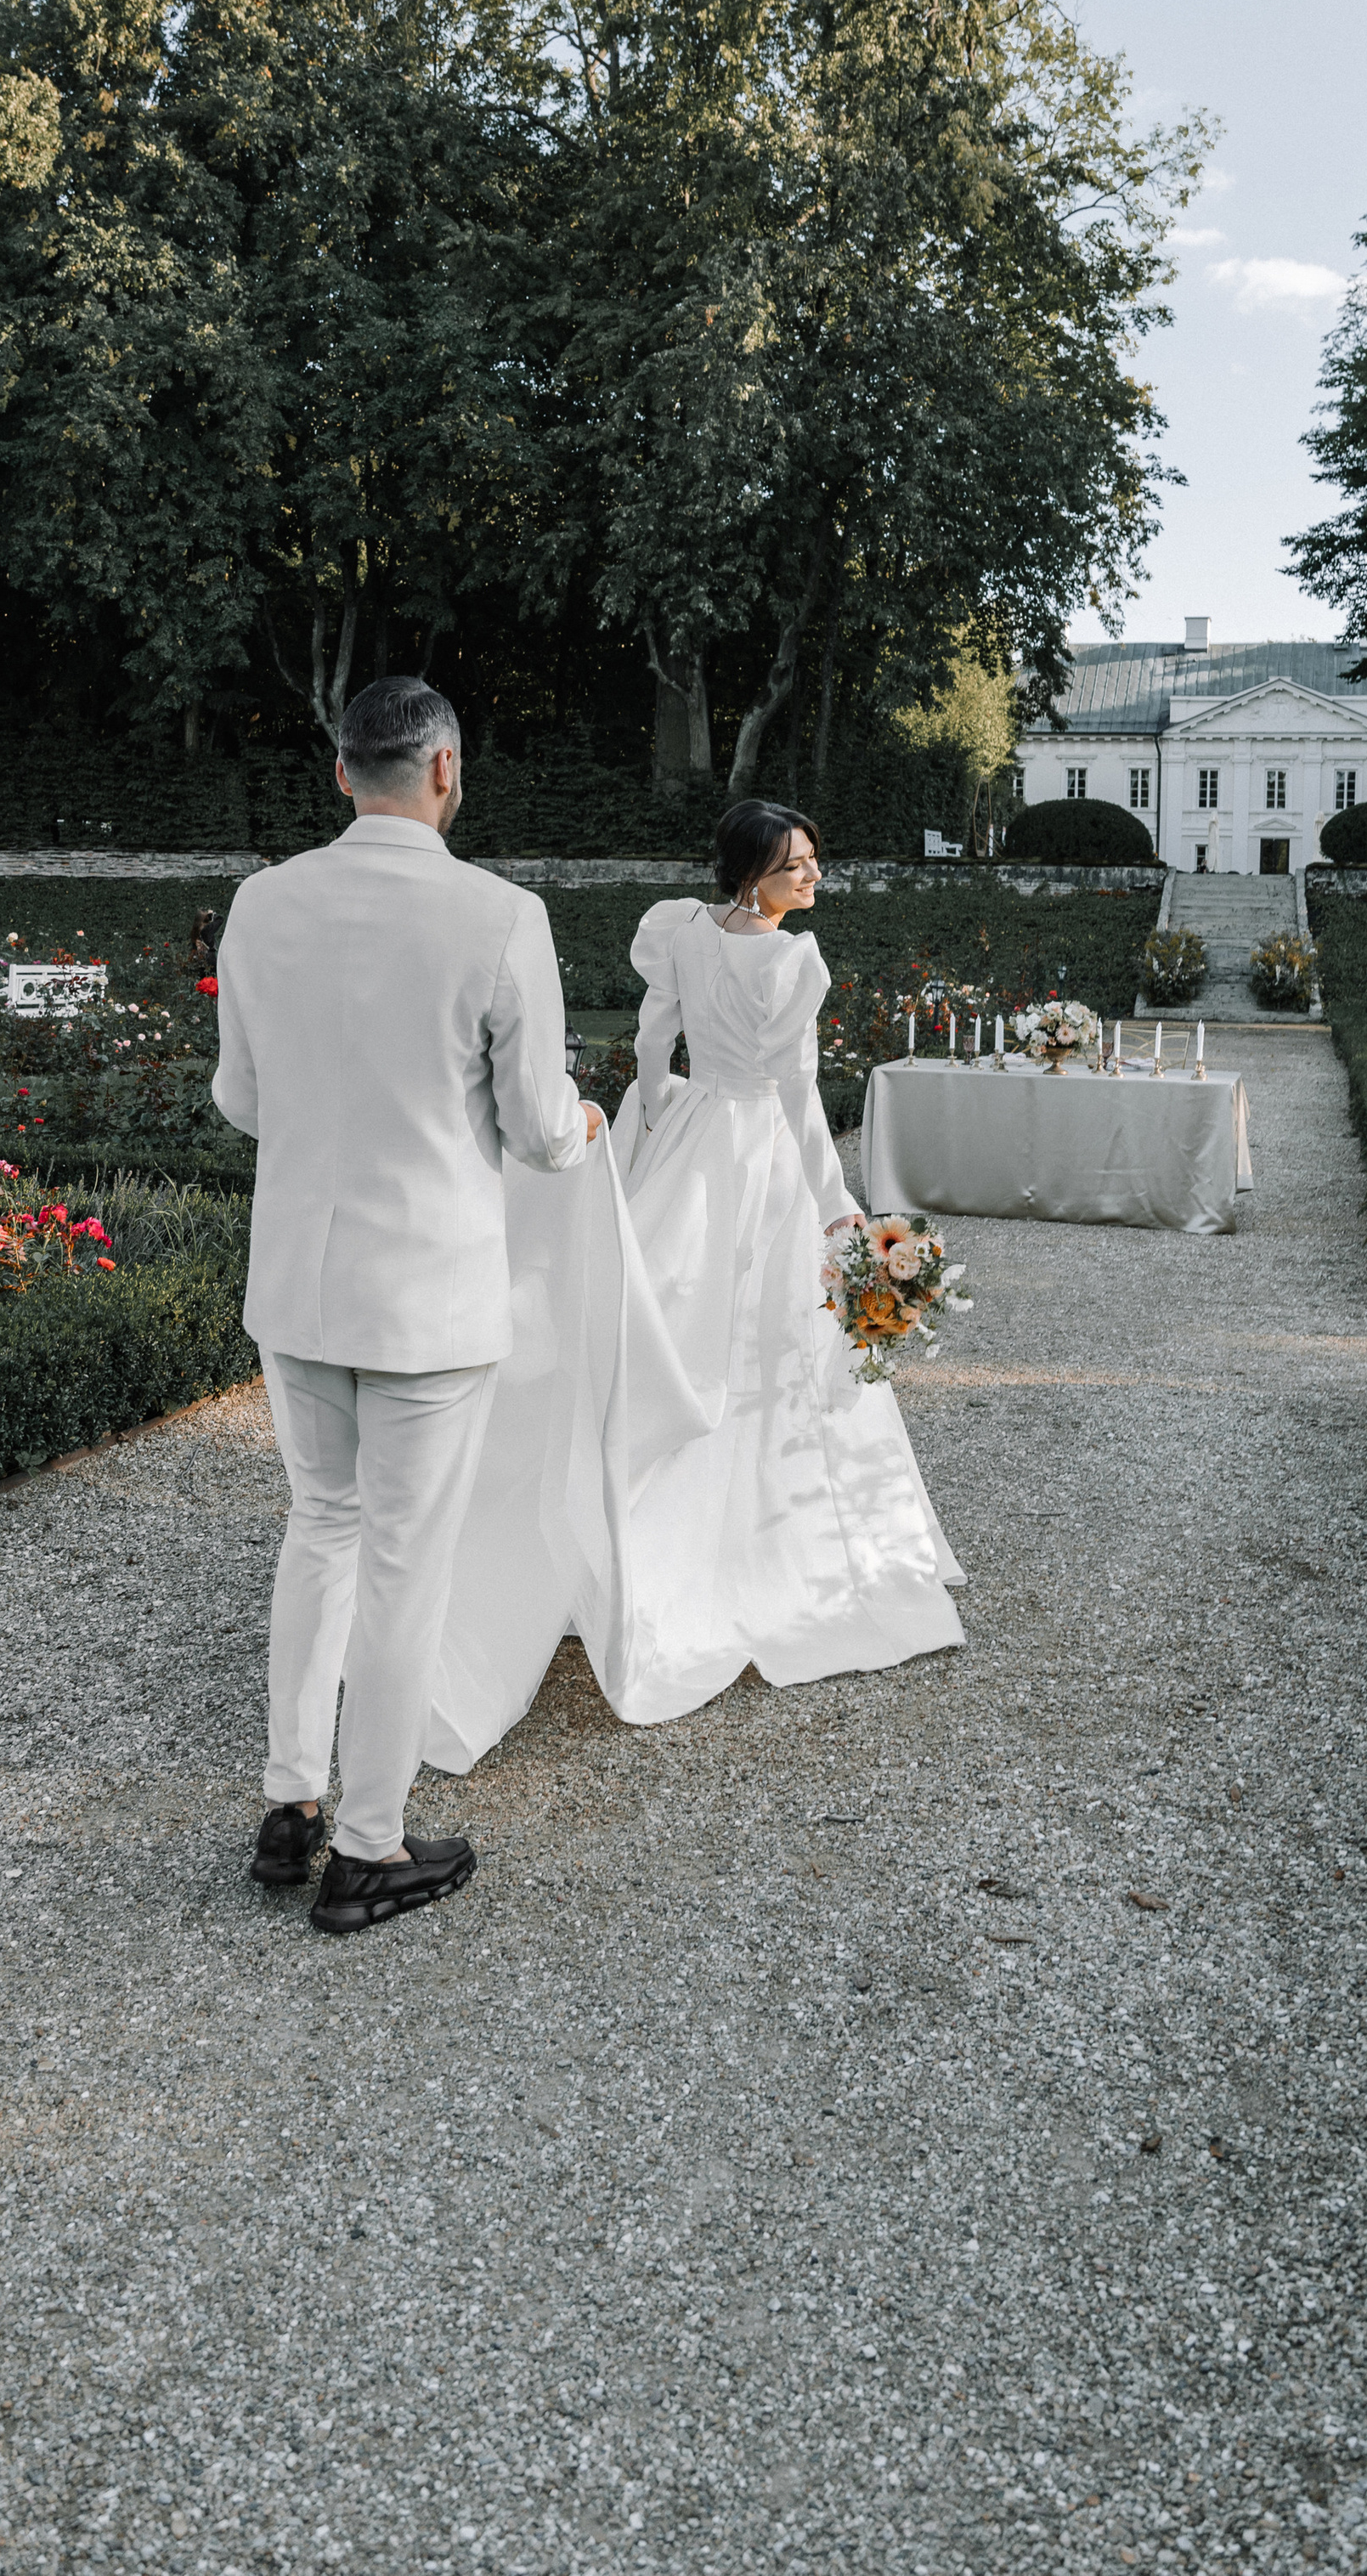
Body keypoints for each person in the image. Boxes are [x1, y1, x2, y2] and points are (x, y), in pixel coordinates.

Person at [424, 799, 963, 1763]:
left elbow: (646, 1044)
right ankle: (761, 1565)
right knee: (767, 1348)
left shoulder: (676, 930)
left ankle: (618, 1555)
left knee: (669, 1334)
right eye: (798, 866)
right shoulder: (794, 962)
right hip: (756, 1154)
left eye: (813, 862)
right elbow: (798, 1096)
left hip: (694, 1138)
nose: (813, 879)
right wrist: (839, 1205)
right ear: (754, 873)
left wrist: (656, 1117)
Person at [210, 675, 601, 1935]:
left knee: (318, 1524)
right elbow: (543, 1130)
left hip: (299, 1282)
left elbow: (242, 1101)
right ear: (445, 770)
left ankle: (289, 1804)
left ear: (341, 774)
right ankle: (369, 1846)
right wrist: (585, 1119)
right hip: (426, 1293)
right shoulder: (500, 913)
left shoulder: (263, 901)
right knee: (403, 1562)